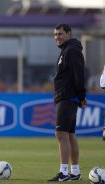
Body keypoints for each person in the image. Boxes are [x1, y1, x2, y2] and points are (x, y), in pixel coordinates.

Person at [48, 23, 87, 182]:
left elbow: (79, 74)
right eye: (55, 34)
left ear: (69, 34)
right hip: (66, 97)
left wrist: (81, 96)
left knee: (61, 134)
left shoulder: (72, 51)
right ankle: (75, 172)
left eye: (60, 34)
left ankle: (64, 172)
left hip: (68, 97)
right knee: (70, 135)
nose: (57, 37)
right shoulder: (67, 50)